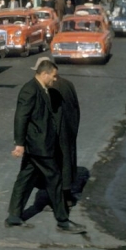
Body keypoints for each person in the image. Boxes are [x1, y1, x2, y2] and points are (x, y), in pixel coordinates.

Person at [5, 59, 85, 234]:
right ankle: (63, 221)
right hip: (39, 146)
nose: (55, 80)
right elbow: (21, 118)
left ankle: (14, 216)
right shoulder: (30, 90)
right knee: (55, 180)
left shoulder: (43, 89)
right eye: (54, 76)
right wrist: (19, 143)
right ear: (45, 74)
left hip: (38, 145)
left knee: (24, 179)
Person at [49, 67, 80, 207]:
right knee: (68, 160)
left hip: (57, 133)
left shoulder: (50, 89)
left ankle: (58, 199)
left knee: (56, 164)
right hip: (69, 130)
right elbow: (76, 108)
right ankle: (67, 195)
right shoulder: (68, 84)